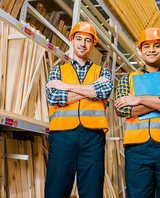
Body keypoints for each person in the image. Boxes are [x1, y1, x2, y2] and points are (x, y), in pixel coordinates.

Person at [115, 27, 160, 198]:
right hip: (137, 150)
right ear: (140, 50)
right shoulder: (127, 79)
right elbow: (122, 108)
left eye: (156, 45)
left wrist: (138, 99)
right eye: (146, 46)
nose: (151, 50)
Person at [45, 22, 113, 198]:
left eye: (88, 40)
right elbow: (53, 97)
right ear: (72, 41)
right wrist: (91, 91)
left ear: (93, 43)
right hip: (62, 137)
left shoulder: (103, 72)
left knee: (92, 192)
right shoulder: (57, 71)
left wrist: (66, 87)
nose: (83, 44)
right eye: (79, 39)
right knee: (56, 191)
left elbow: (104, 91)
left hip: (93, 138)